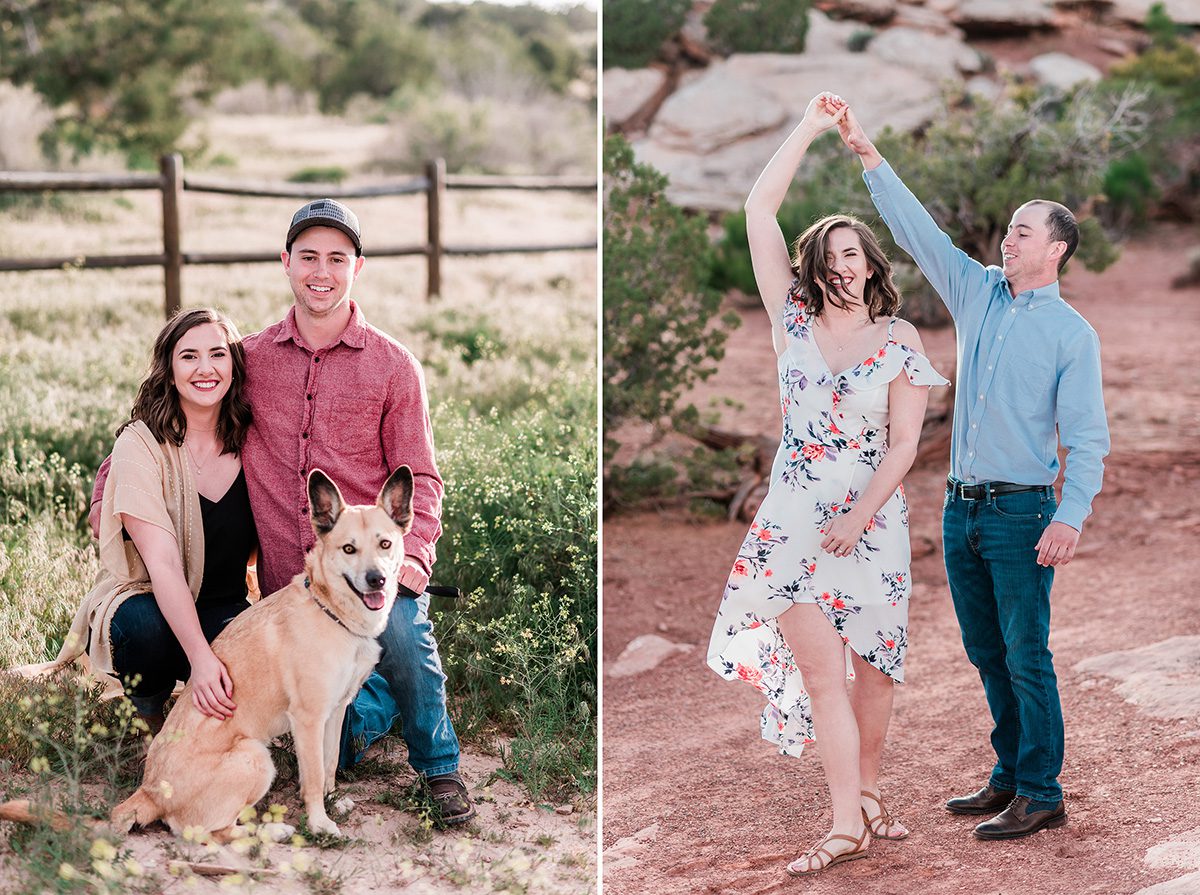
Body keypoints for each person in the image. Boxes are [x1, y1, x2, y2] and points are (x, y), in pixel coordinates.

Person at [90, 199, 474, 825]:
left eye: (337, 259)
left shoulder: (394, 365)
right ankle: (187, 741)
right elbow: (185, 400)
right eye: (308, 257)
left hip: (369, 565)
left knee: (402, 632)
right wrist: (113, 477)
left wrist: (414, 560)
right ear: (286, 263)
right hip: (292, 593)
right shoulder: (252, 358)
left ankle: (440, 768)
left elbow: (422, 475)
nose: (321, 272)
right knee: (322, 733)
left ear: (358, 267)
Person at [833, 97, 1109, 840]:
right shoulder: (977, 291)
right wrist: (868, 153)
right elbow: (922, 236)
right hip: (961, 509)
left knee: (1027, 652)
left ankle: (1042, 789)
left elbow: (1087, 437)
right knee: (985, 650)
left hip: (1023, 513)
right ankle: (1011, 772)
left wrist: (1071, 513)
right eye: (1009, 228)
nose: (1008, 238)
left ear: (1055, 249)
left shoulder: (1072, 334)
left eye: (1023, 230)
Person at [706, 93, 948, 875]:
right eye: (829, 255)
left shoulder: (900, 340)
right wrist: (813, 129)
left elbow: (906, 444)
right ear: (812, 269)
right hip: (793, 523)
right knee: (822, 677)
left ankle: (869, 794)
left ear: (873, 264)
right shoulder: (793, 324)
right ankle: (846, 820)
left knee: (876, 670)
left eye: (854, 253)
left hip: (871, 522)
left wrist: (859, 515)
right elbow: (758, 205)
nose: (842, 264)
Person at [15, 308, 256, 732]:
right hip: (150, 599)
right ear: (169, 368)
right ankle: (150, 721)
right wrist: (200, 658)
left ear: (234, 366)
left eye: (218, 354)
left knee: (255, 652)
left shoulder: (256, 440)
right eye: (189, 356)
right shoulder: (141, 445)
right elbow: (162, 564)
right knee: (141, 627)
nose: (205, 369)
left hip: (227, 605)